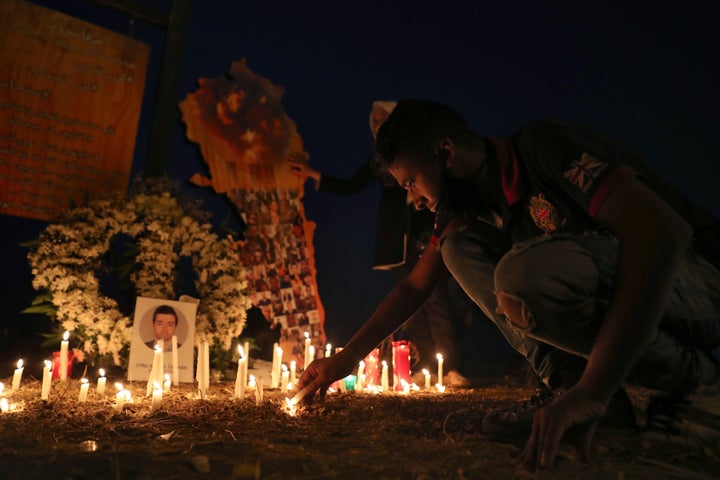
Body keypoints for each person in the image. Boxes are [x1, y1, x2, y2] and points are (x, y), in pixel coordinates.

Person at [297, 99, 720, 469]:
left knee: (526, 274)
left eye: (412, 182)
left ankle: (698, 383)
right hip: (658, 299)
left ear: (446, 152)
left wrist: (598, 387)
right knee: (457, 248)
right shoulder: (469, 210)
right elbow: (414, 288)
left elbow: (662, 233)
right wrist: (346, 359)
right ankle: (568, 384)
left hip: (701, 281)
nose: (416, 200)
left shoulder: (544, 149)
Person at [288, 101, 475, 386]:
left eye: (383, 120)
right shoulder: (383, 162)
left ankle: (450, 366)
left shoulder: (452, 208)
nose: (416, 199)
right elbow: (352, 184)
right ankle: (427, 363)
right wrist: (314, 175)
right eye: (404, 186)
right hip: (397, 242)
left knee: (438, 295)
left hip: (425, 236)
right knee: (417, 306)